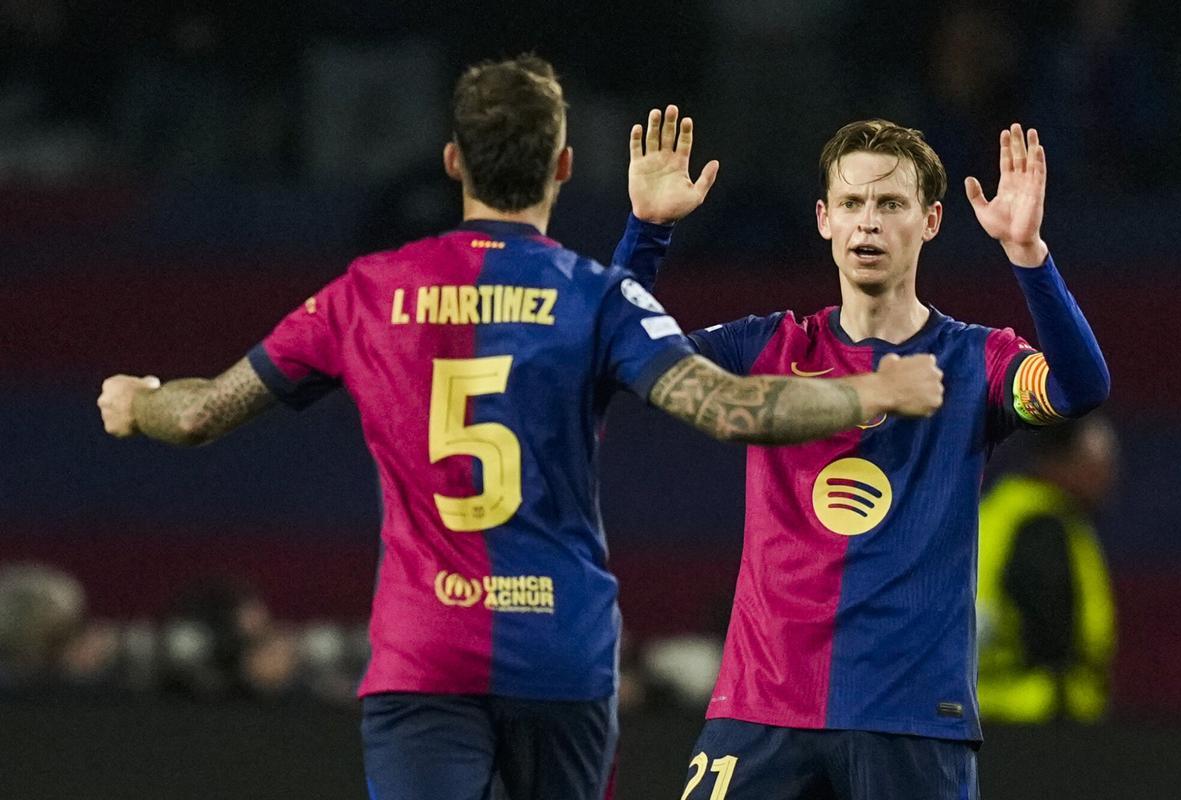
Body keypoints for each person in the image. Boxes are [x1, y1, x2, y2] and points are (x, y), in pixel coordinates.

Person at [97, 59, 944, 800]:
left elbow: (204, 412)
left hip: (422, 656)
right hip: (560, 658)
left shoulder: (366, 292)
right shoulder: (594, 297)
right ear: (566, 166)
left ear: (453, 161)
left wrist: (137, 402)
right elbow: (730, 409)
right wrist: (870, 390)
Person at [620, 118, 1110, 799]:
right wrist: (647, 232)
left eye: (890, 204)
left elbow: (1080, 388)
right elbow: (617, 362)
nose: (868, 224)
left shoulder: (977, 360)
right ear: (824, 219)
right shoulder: (767, 346)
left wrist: (1028, 253)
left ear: (932, 220)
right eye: (851, 204)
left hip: (911, 722)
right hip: (762, 712)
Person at [977, 415, 1118, 723]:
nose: (1108, 477)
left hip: (988, 704)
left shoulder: (1004, 508)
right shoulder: (1043, 526)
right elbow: (1050, 629)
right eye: (1098, 464)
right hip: (1035, 713)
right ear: (1066, 460)